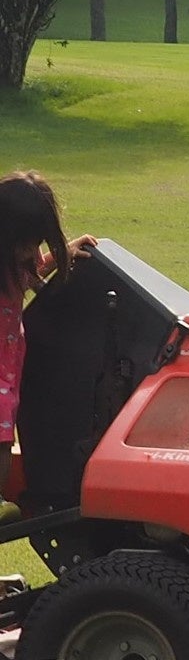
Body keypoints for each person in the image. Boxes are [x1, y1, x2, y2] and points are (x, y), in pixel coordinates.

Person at [0, 172, 79, 457]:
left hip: (9, 367)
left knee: (5, 435)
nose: (32, 252)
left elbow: (29, 278)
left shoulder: (15, 261)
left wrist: (64, 254)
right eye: (26, 244)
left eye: (37, 243)